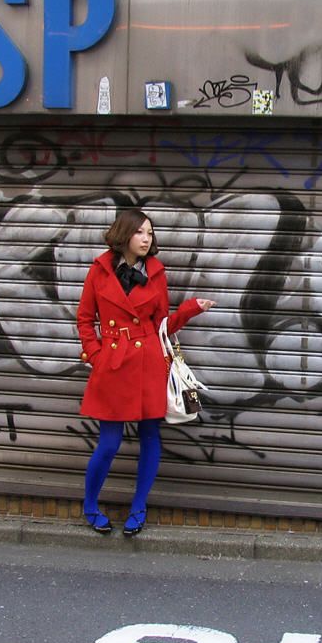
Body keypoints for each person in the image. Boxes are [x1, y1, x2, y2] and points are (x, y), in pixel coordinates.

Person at [76, 209, 216, 536]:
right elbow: (85, 319)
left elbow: (162, 325)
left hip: (148, 360)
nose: (146, 238)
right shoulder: (98, 271)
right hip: (112, 363)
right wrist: (96, 355)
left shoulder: (156, 271)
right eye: (140, 232)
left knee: (150, 435)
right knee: (109, 443)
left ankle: (138, 506)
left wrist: (190, 309)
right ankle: (90, 505)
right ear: (124, 234)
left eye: (150, 233)